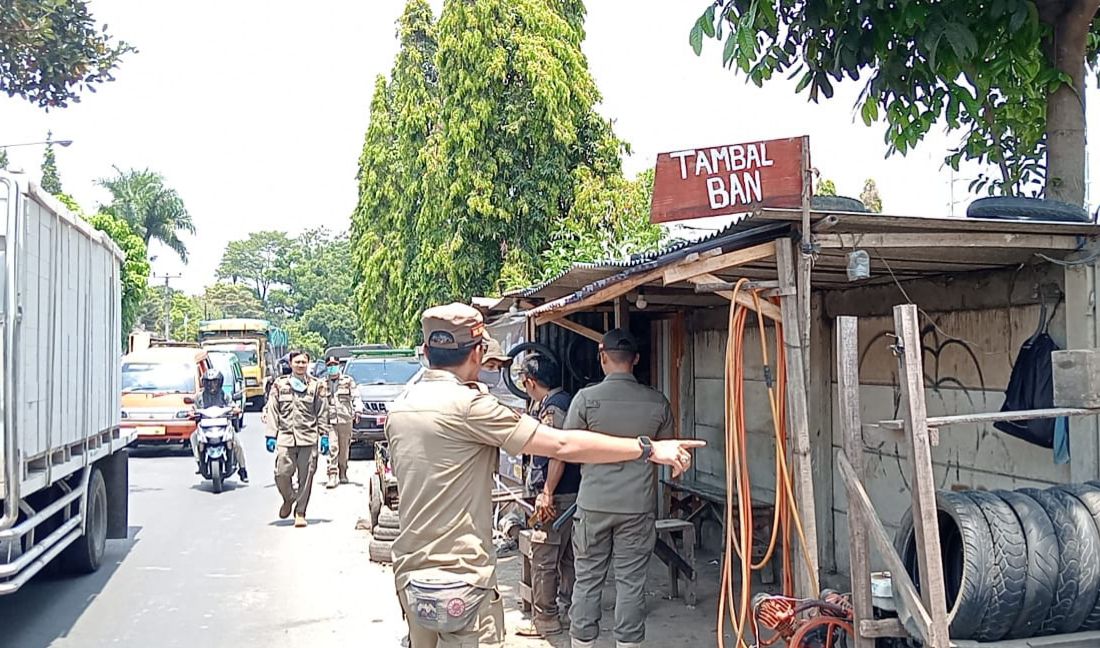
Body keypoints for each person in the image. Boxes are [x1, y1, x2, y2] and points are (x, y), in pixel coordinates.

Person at [384, 304, 702, 648]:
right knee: (628, 581)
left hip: (411, 574)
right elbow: (562, 444)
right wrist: (648, 448)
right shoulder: (472, 406)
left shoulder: (401, 406)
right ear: (477, 352)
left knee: (587, 578)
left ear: (427, 351)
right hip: (463, 579)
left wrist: (548, 489)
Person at [567, 329, 674, 648]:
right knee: (631, 584)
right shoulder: (657, 401)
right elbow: (665, 451)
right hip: (637, 507)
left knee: (587, 579)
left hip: (594, 504)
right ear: (636, 360)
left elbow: (569, 446)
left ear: (602, 358)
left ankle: (582, 641)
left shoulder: (585, 399)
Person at [516, 354, 578, 639]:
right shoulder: (559, 402)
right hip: (567, 493)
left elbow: (557, 452)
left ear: (529, 382)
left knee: (544, 556)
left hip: (558, 494)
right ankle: (568, 610)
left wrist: (547, 492)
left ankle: (546, 618)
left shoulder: (555, 408)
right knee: (565, 556)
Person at [263, 350, 332, 528]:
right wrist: (271, 434)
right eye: (297, 362)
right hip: (285, 437)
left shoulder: (317, 386)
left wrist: (324, 435)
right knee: (281, 473)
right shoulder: (280, 385)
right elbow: (272, 410)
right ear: (291, 364)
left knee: (306, 477)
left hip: (309, 438)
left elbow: (323, 412)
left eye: (303, 362)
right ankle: (289, 498)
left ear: (308, 364)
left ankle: (300, 512)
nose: (300, 365)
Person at [191, 369, 249, 483]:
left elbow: (233, 406)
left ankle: (242, 469)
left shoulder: (225, 395)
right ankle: (199, 462)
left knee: (238, 444)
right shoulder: (199, 397)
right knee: (193, 437)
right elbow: (193, 408)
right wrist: (191, 412)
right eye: (209, 382)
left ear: (220, 382)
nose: (212, 385)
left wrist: (235, 409)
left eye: (215, 382)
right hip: (205, 426)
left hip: (223, 425)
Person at [320, 355, 364, 489]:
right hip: (330, 420)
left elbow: (356, 396)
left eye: (334, 364)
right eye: (329, 365)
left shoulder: (347, 381)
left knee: (344, 449)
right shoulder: (322, 383)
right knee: (333, 447)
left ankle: (343, 471)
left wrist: (358, 410)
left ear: (339, 365)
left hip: (345, 419)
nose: (332, 367)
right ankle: (332, 474)